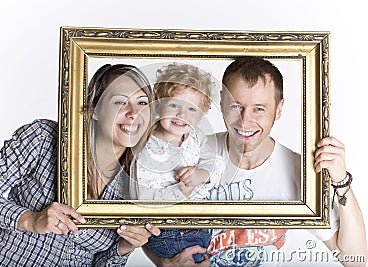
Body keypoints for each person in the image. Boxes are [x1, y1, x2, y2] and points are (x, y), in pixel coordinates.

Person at [143, 56, 367, 266]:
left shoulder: (300, 172)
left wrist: (341, 182)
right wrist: (164, 262)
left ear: (279, 109)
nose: (245, 121)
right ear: (220, 102)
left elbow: (356, 260)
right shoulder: (189, 149)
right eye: (235, 106)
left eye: (259, 109)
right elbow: (149, 221)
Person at [0, 64, 160, 267]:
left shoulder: (138, 185)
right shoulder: (43, 138)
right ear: (94, 109)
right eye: (120, 102)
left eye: (142, 103)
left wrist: (124, 248)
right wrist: (30, 220)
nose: (134, 113)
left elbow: (102, 263)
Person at [130, 63, 224, 263]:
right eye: (174, 105)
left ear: (201, 115)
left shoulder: (196, 137)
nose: (182, 115)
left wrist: (201, 174)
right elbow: (142, 198)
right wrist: (179, 193)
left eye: (192, 109)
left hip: (200, 225)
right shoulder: (145, 144)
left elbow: (215, 162)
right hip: (165, 231)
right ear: (158, 104)